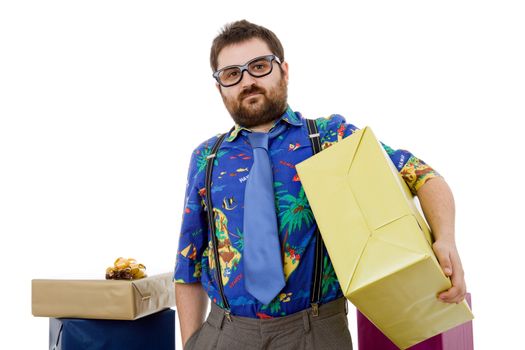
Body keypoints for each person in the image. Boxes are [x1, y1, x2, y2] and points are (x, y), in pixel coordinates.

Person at [174, 19, 467, 350]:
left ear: (283, 70)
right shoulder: (206, 158)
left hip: (313, 331)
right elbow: (188, 263)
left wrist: (446, 239)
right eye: (232, 74)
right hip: (225, 332)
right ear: (220, 87)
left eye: (259, 66)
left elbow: (421, 175)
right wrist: (191, 343)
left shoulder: (329, 137)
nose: (247, 81)